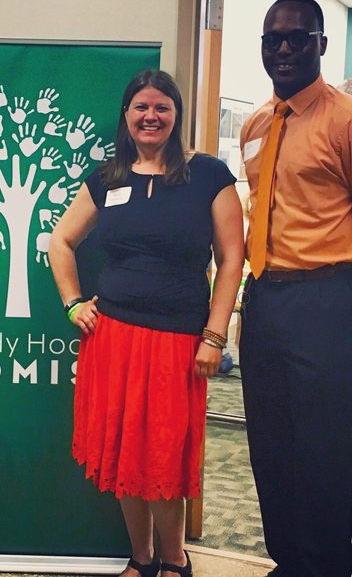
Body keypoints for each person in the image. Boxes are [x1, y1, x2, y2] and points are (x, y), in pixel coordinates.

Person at [49, 70, 243, 577]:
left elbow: (231, 259)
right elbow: (60, 242)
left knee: (162, 457)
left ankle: (175, 560)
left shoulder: (208, 175)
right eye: (141, 107)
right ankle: (141, 558)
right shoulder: (108, 177)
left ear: (176, 114)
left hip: (179, 342)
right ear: (127, 115)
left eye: (161, 107)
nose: (150, 116)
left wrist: (214, 335)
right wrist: (73, 302)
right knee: (123, 458)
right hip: (112, 337)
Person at [239, 0, 352, 577]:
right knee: (271, 441)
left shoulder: (344, 119)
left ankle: (330, 564)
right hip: (265, 300)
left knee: (326, 446)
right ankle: (289, 560)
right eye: (272, 39)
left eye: (297, 38)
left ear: (322, 46)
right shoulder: (257, 124)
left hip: (326, 298)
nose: (283, 49)